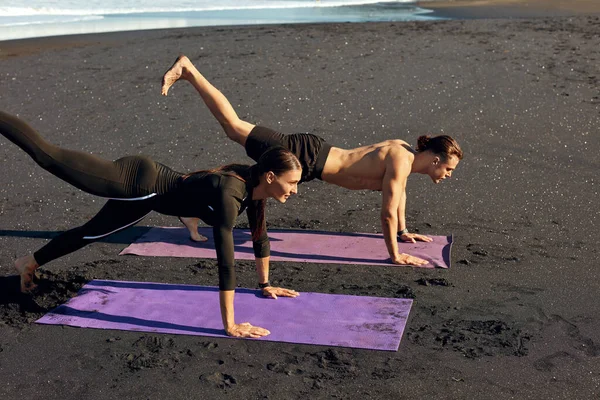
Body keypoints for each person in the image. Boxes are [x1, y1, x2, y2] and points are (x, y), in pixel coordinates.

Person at [0, 110, 302, 338]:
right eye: (293, 182)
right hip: (137, 183)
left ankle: (30, 261)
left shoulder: (255, 188)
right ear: (271, 177)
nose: (295, 190)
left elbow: (260, 237)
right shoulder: (231, 193)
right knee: (48, 156)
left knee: (92, 233)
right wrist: (231, 325)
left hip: (148, 195)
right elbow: (226, 262)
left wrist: (264, 285)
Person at [161, 55, 464, 267]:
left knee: (242, 159)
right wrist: (395, 254)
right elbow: (386, 212)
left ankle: (192, 210)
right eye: (449, 168)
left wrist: (403, 231)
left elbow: (400, 197)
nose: (449, 175)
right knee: (233, 127)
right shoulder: (400, 158)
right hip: (302, 155)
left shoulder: (404, 156)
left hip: (311, 159)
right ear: (435, 159)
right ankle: (189, 71)